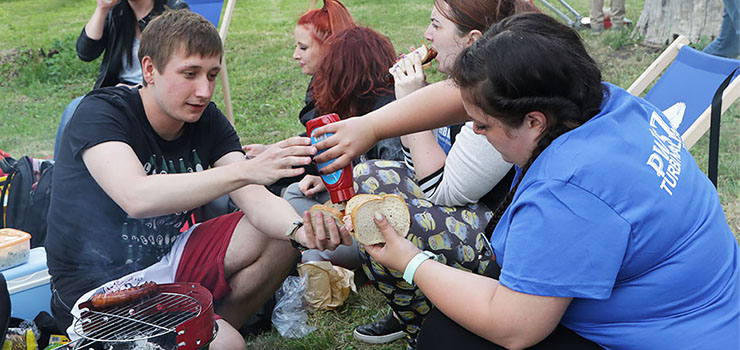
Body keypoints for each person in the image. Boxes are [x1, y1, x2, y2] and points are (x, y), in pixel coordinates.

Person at [361, 12, 739, 349]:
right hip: (713, 307)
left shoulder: (568, 189)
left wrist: (410, 261)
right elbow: (468, 98)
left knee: (447, 336)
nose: (475, 131)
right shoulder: (607, 104)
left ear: (534, 121)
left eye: (484, 124)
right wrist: (369, 126)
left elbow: (514, 328)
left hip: (679, 333)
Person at [46, 10, 343, 349]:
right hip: (98, 288)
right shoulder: (102, 113)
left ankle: (210, 324)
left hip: (168, 263)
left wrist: (301, 232)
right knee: (228, 346)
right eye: (190, 74)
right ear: (149, 70)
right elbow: (136, 196)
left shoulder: (206, 120)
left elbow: (256, 199)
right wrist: (245, 170)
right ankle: (207, 335)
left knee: (278, 235)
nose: (204, 91)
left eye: (212, 75)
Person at [347, 1, 535, 348]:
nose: (426, 35)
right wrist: (413, 112)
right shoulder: (464, 82)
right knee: (371, 180)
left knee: (375, 198)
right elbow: (416, 168)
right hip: (480, 210)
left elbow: (439, 191)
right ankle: (418, 310)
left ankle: (425, 324)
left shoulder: (496, 91)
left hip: (504, 236)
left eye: (436, 25)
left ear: (472, 39)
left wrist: (408, 101)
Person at [283, 26, 404, 268]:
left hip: (382, 226)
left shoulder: (388, 114)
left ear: (345, 74)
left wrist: (348, 197)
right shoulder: (361, 104)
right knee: (293, 194)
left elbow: (393, 190)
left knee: (314, 257)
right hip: (356, 204)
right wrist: (327, 183)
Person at [54, 0, 189, 158]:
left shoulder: (174, 11)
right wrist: (102, 8)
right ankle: (58, 174)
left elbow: (181, 64)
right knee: (74, 108)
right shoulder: (118, 13)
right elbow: (86, 52)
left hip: (156, 90)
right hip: (118, 91)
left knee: (75, 107)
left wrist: (138, 89)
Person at [242, 0, 356, 159]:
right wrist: (272, 149)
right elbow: (317, 138)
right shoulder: (325, 82)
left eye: (303, 48)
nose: (295, 55)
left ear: (330, 46)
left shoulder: (356, 93)